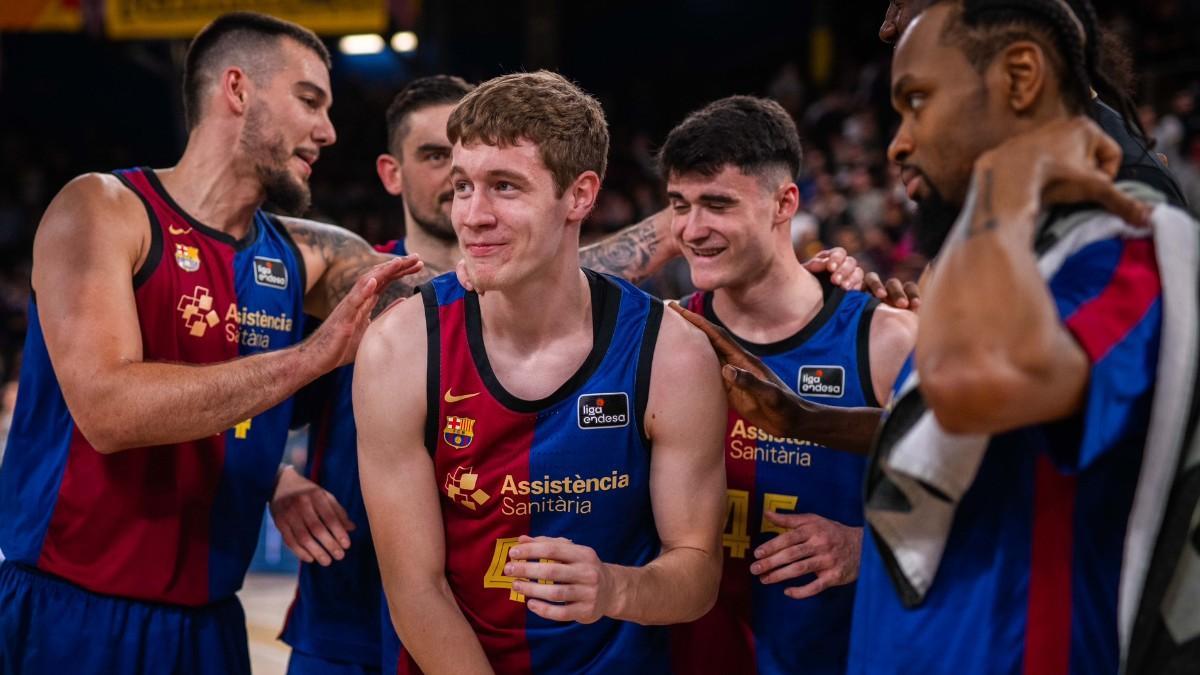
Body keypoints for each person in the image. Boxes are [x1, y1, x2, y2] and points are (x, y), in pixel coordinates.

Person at [0, 12, 427, 675]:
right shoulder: (103, 208)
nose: (328, 131)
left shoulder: (304, 254)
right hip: (71, 616)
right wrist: (311, 358)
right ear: (237, 89)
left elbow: (445, 298)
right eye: (309, 100)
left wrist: (271, 473)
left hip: (209, 626)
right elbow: (108, 410)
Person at [355, 71, 728, 674]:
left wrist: (614, 588)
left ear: (579, 195)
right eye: (463, 186)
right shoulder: (400, 347)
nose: (473, 215)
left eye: (504, 186)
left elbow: (697, 573)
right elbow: (415, 591)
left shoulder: (671, 352)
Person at [855, 1, 1168, 672]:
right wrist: (809, 421)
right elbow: (934, 430)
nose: (898, 144)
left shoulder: (1129, 242)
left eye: (917, 101)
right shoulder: (989, 250)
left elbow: (971, 388)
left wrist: (1004, 180)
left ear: (1021, 77)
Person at [661, 96, 916, 675]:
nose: (692, 230)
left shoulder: (885, 338)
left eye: (717, 204)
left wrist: (863, 546)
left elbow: (984, 501)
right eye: (680, 205)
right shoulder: (666, 335)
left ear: (785, 203)